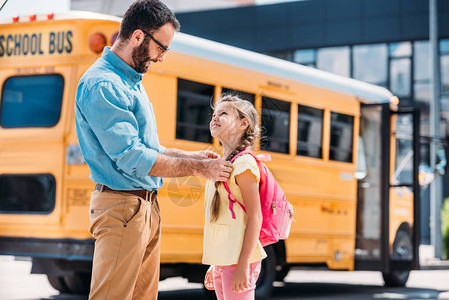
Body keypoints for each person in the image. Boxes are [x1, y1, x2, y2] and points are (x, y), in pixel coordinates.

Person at [74, 1, 233, 299]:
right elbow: (134, 157)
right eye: (161, 48)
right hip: (122, 208)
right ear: (137, 36)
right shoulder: (103, 84)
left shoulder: (130, 81)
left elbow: (148, 148)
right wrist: (200, 169)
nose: (161, 58)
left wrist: (191, 157)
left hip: (143, 208)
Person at [203, 95, 267, 300]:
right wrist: (217, 262)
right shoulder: (220, 165)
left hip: (238, 262)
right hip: (225, 261)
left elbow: (255, 217)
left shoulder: (244, 165)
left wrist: (243, 266)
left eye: (223, 113)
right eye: (214, 114)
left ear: (243, 124)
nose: (215, 117)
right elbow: (226, 220)